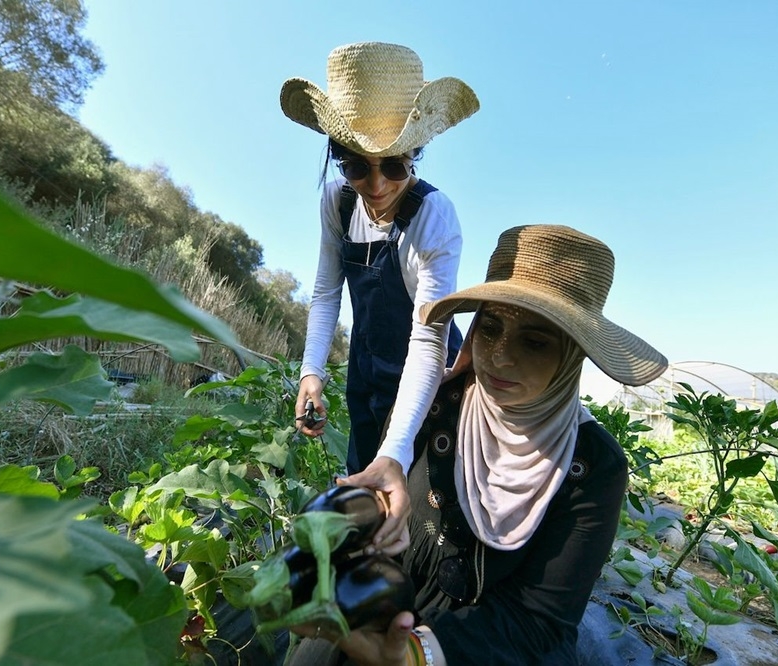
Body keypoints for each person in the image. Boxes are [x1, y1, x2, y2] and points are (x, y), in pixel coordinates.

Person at [290, 224, 669, 665]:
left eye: (534, 341)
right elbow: (385, 504)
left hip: (482, 648)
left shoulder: (593, 465)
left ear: (573, 354)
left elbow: (539, 621)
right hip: (381, 605)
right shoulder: (431, 403)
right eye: (490, 328)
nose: (499, 356)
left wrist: (417, 654)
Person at [282, 42, 480, 547]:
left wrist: (395, 449)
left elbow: (428, 339)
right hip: (367, 372)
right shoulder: (336, 201)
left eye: (393, 165)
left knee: (420, 508)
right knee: (361, 500)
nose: (376, 185)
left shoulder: (434, 218)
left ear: (414, 154)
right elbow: (327, 293)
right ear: (338, 159)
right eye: (355, 166)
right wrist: (312, 373)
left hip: (431, 379)